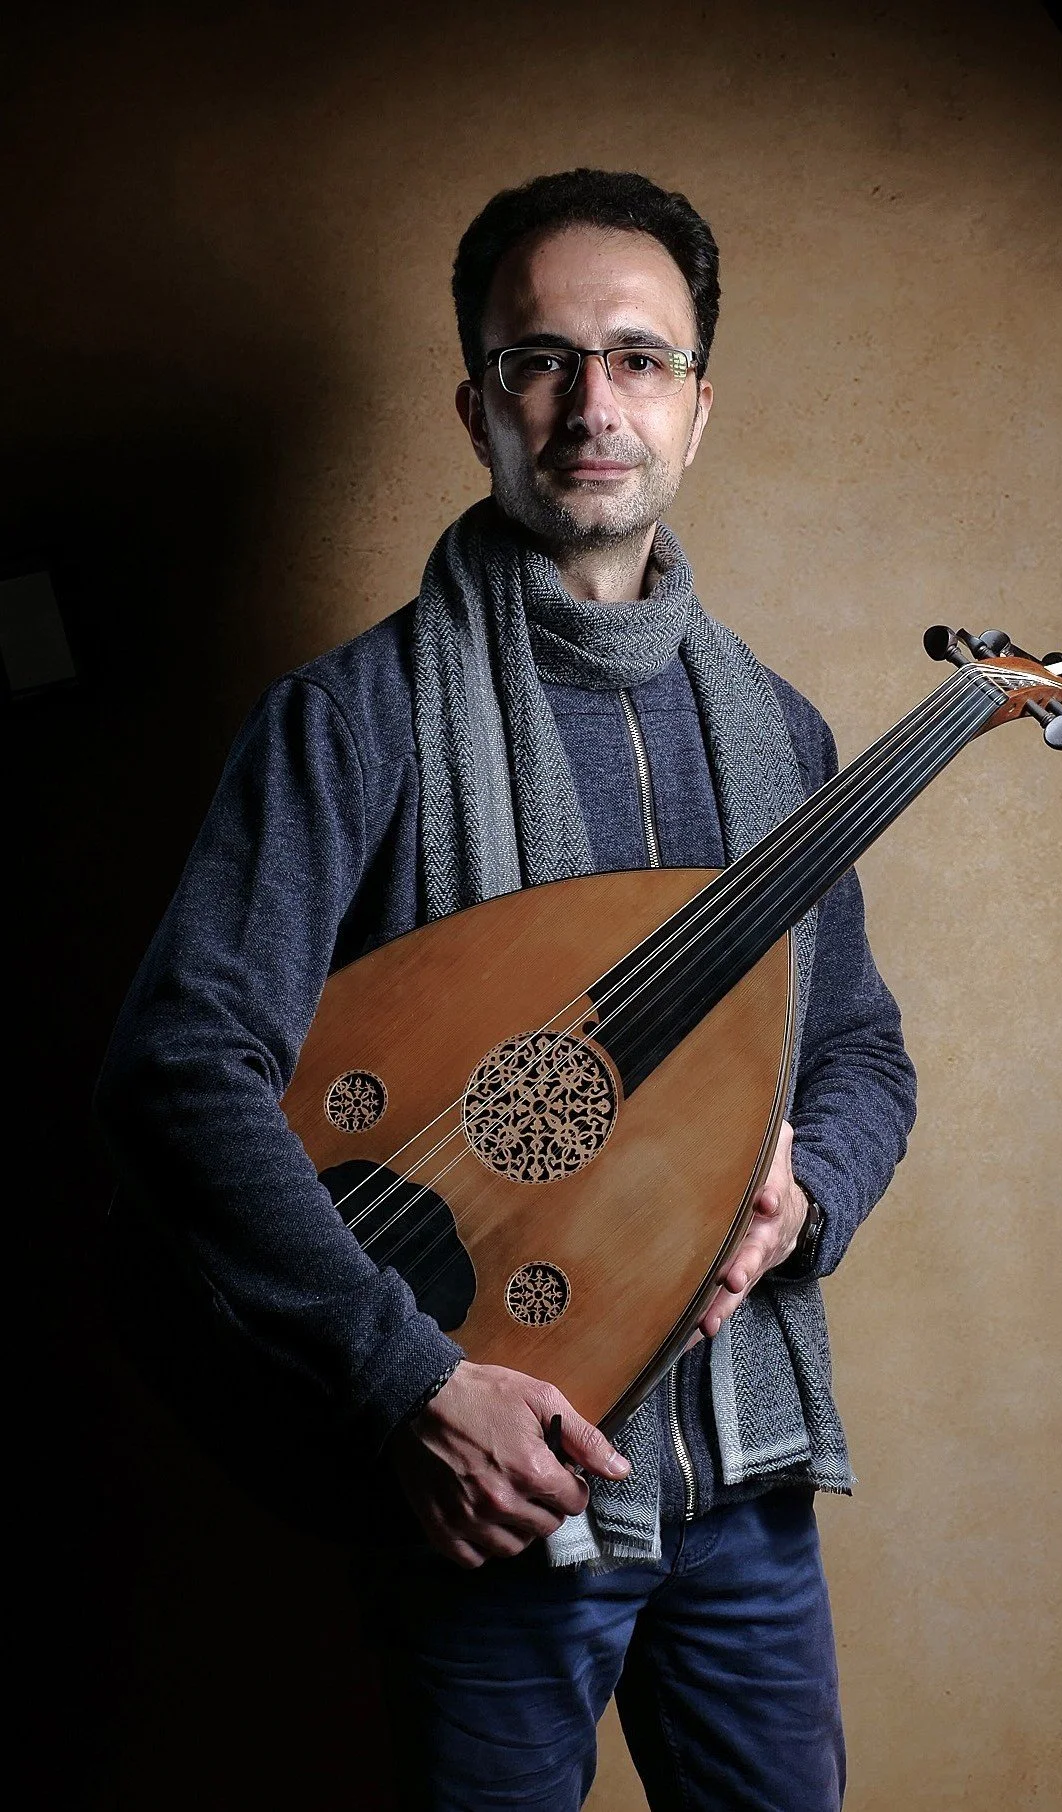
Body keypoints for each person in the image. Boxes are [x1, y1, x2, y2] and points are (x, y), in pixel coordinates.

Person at [97, 168, 917, 1812]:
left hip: (743, 1481)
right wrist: (413, 1384)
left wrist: (800, 1194)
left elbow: (857, 1050)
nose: (591, 404)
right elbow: (182, 1065)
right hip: (485, 1489)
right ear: (477, 403)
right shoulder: (351, 719)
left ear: (696, 408)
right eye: (541, 359)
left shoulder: (781, 735)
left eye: (638, 358)